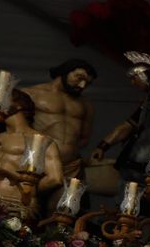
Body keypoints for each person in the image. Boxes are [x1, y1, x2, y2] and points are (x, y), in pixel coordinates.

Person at [23, 58, 97, 189]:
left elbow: (84, 139)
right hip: (36, 163)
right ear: (65, 71)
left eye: (87, 83)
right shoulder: (30, 94)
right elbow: (17, 129)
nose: (82, 85)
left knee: (63, 207)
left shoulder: (86, 105)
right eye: (79, 78)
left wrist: (66, 152)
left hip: (70, 167)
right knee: (29, 202)